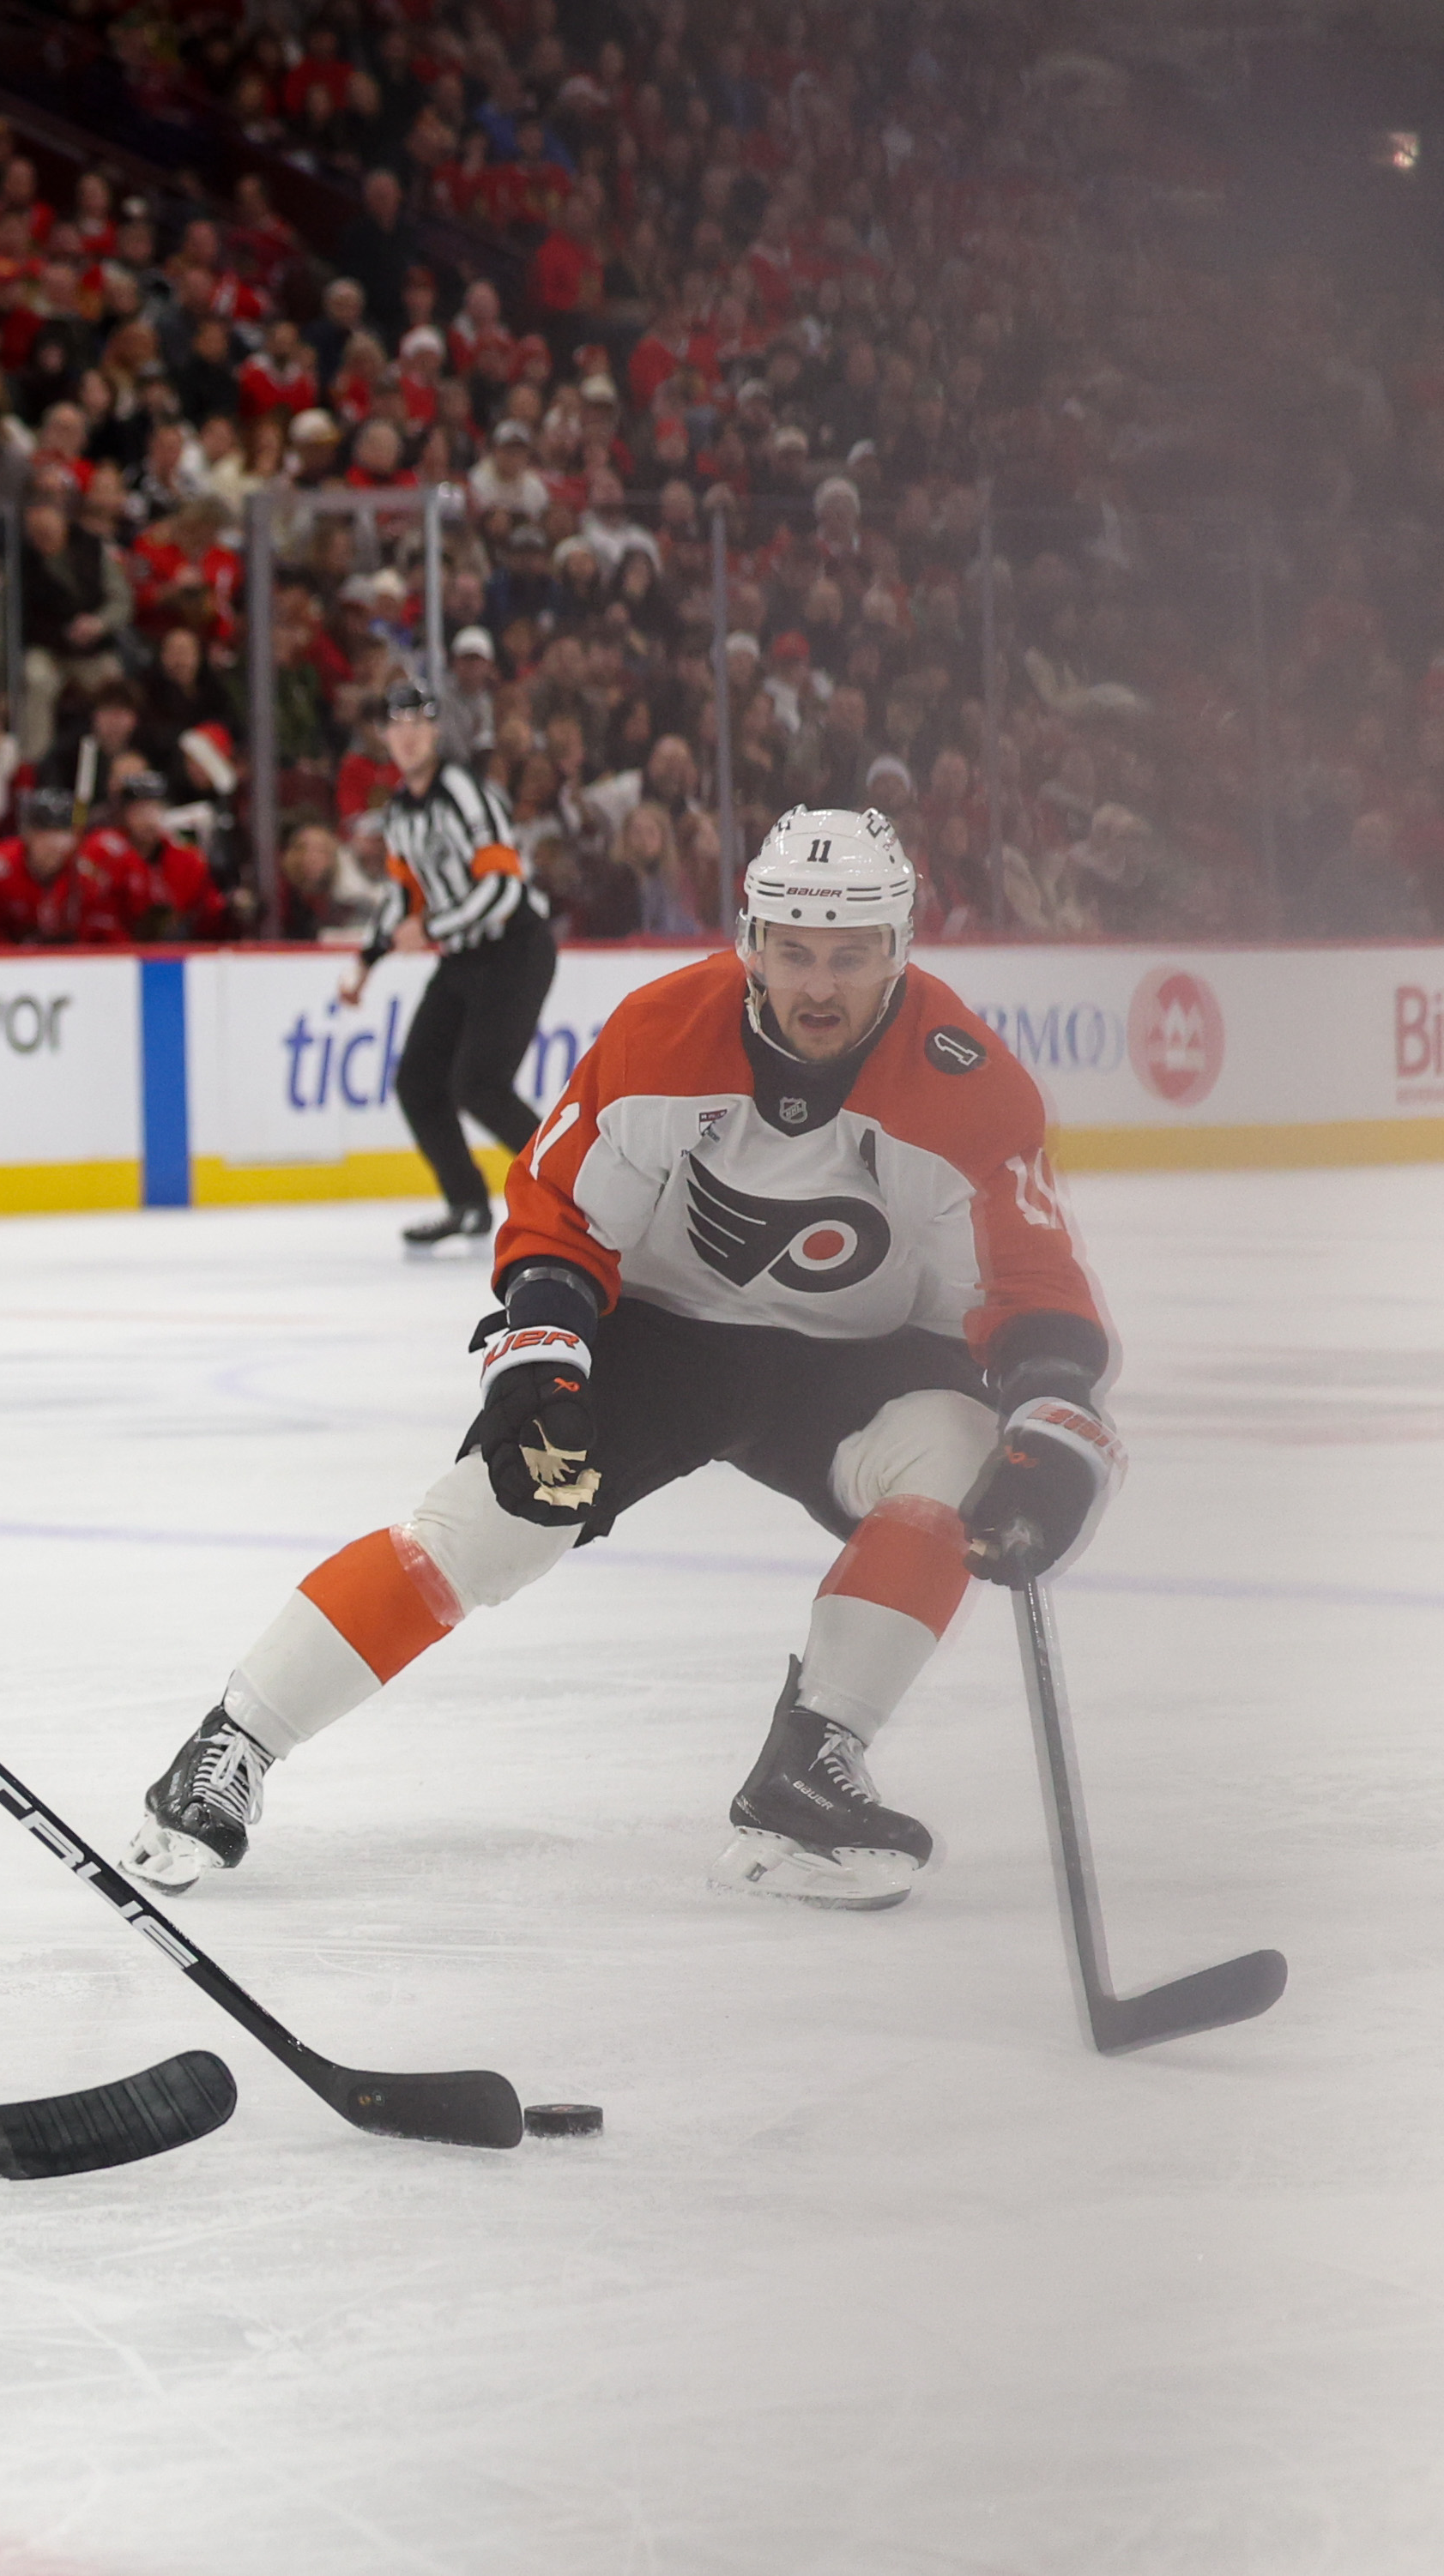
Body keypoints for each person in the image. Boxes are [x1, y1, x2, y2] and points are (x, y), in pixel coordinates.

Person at [128, 811, 1121, 1913]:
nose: (819, 985)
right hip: (662, 1342)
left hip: (861, 1368)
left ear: (899, 946)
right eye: (792, 949)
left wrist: (1052, 1430)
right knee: (493, 1521)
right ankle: (229, 1746)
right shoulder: (659, 1032)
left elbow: (1033, 1286)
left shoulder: (971, 1084)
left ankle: (808, 1766)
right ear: (750, 940)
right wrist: (541, 1369)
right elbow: (557, 1216)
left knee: (965, 1453)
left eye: (849, 954)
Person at [347, 680, 555, 1251]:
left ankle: (571, 1191)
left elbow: (502, 885)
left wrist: (431, 929)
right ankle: (465, 1202)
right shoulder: (399, 812)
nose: (408, 737)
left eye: (418, 725)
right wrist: (367, 959)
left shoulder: (465, 791)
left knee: (479, 1083)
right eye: (397, 726)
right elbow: (403, 897)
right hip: (464, 956)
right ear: (385, 735)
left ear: (435, 731)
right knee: (417, 1081)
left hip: (514, 949)